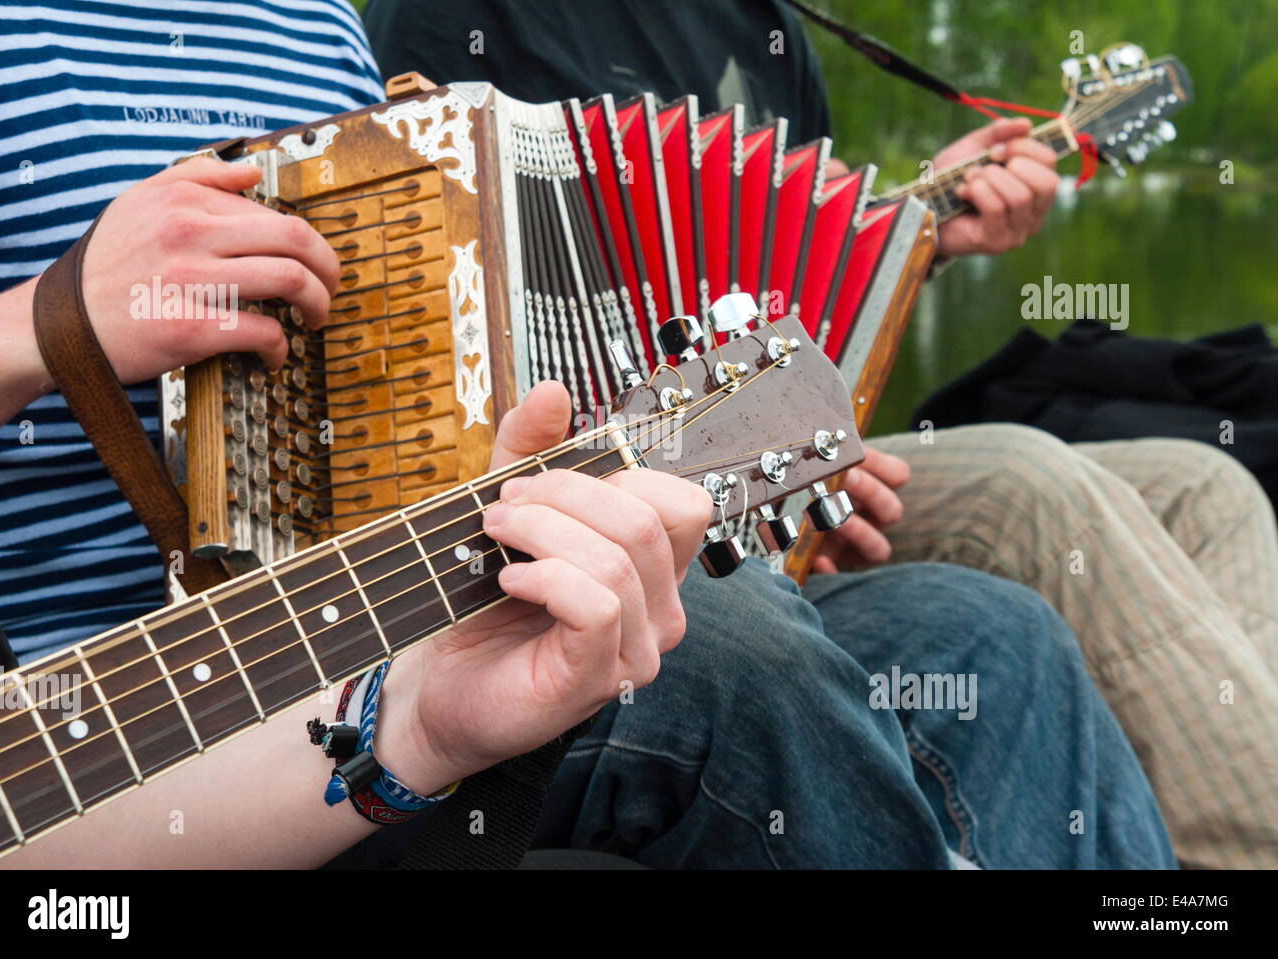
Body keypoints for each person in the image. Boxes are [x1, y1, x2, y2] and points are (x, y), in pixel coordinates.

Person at [0, 0, 1174, 869]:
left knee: (986, 629)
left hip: (381, 592)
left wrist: (705, 470)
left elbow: (426, 383)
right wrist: (42, 324)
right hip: (113, 694)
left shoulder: (311, 23)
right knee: (723, 638)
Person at [363, 0, 1278, 868]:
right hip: (602, 474)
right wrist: (770, 459)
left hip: (773, 447)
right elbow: (466, 340)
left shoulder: (768, 26)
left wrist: (917, 238)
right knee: (1030, 488)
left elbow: (791, 284)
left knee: (1207, 485)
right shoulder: (461, 17)